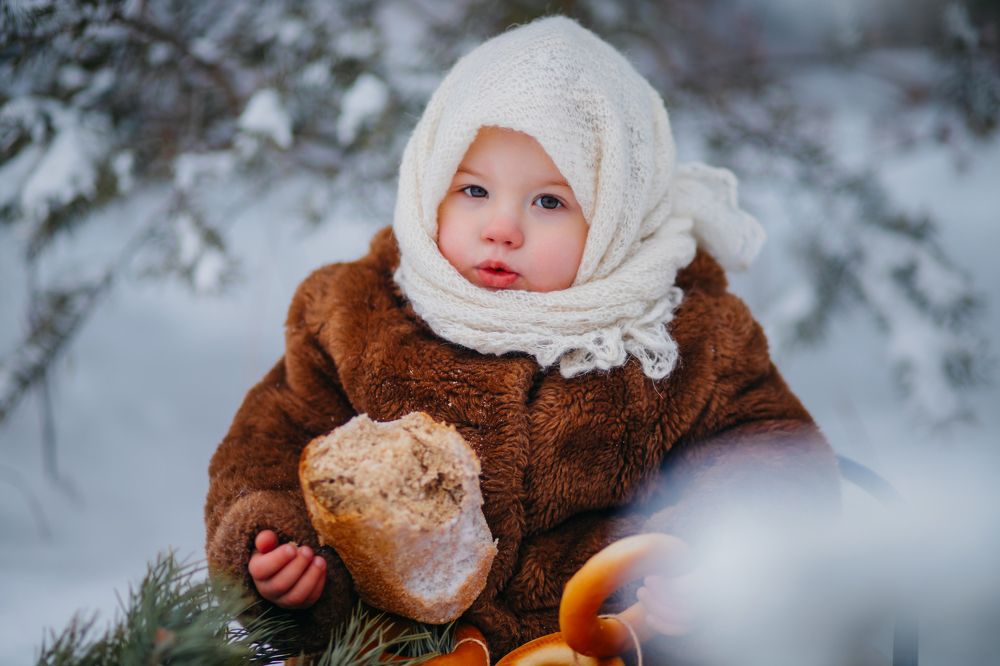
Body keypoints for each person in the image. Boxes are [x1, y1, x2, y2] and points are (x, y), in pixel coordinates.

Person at [204, 15, 841, 660]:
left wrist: (705, 561)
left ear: (618, 214)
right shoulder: (355, 314)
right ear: (431, 184)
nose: (501, 227)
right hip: (400, 644)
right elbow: (270, 442)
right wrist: (281, 556)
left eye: (549, 202)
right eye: (474, 190)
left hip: (602, 637)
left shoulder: (686, 336)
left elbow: (770, 457)